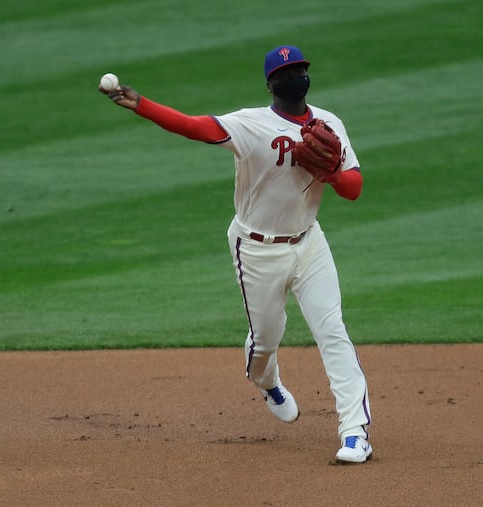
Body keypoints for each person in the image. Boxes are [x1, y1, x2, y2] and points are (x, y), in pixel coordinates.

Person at [100, 45, 373, 463]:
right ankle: (267, 382)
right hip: (257, 249)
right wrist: (141, 105)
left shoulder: (329, 123)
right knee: (265, 340)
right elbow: (194, 127)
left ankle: (355, 432)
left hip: (309, 243)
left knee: (332, 331)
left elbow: (353, 189)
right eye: (284, 73)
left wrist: (333, 172)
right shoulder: (250, 125)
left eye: (298, 70)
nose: (293, 77)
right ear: (270, 84)